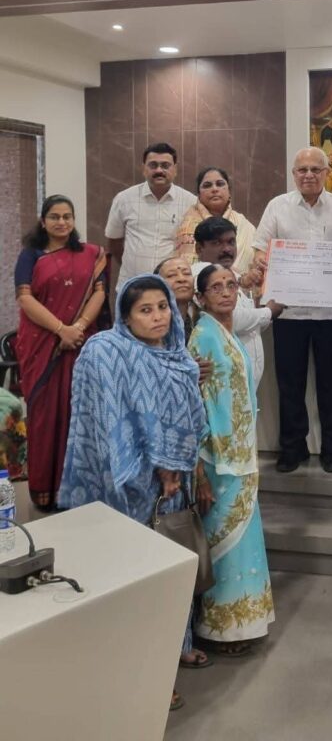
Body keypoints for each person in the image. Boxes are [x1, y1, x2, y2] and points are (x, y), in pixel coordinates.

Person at [58, 274, 209, 709]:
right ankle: (150, 675)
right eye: (145, 310)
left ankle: (178, 645)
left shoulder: (177, 357)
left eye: (163, 307)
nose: (158, 317)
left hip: (172, 486)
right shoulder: (107, 351)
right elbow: (106, 416)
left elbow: (190, 418)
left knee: (171, 567)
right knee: (139, 577)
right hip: (128, 484)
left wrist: (177, 466)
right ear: (125, 317)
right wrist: (159, 463)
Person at [188, 264, 274, 654]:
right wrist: (200, 467)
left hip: (240, 453)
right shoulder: (203, 336)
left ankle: (243, 623)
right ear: (201, 297)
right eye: (215, 287)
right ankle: (220, 627)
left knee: (243, 537)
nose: (225, 292)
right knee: (224, 542)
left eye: (231, 285)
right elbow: (196, 403)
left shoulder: (228, 332)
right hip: (218, 458)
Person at [254, 147, 332, 474]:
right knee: (290, 385)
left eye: (315, 169)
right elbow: (260, 252)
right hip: (288, 313)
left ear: (327, 172)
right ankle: (292, 448)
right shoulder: (277, 206)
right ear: (293, 174)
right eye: (302, 170)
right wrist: (265, 265)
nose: (308, 175)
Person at [14, 195, 107, 510]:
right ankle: (46, 491)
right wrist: (60, 330)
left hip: (81, 343)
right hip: (42, 345)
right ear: (43, 221)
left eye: (67, 216)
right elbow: (25, 299)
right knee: (44, 417)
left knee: (79, 412)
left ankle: (79, 489)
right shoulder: (31, 255)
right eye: (55, 216)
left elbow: (99, 294)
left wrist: (77, 327)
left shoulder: (91, 254)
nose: (62, 222)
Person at [192, 217, 281, 388]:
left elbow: (252, 327)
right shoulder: (200, 275)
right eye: (217, 243)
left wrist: (261, 303)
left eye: (231, 242)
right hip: (223, 385)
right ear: (199, 248)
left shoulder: (232, 276)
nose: (227, 249)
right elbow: (231, 319)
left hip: (243, 385)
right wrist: (268, 312)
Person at [105, 142, 196, 289]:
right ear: (143, 169)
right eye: (153, 165)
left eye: (165, 165)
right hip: (132, 285)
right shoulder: (124, 199)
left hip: (173, 288)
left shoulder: (190, 202)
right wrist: (132, 264)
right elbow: (114, 241)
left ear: (175, 169)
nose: (159, 170)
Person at [175, 166, 258, 277]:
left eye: (220, 184)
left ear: (229, 191)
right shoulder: (188, 226)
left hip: (241, 286)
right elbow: (187, 269)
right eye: (207, 185)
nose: (214, 189)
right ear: (198, 195)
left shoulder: (244, 225)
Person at [155, 256, 196, 340]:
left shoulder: (199, 324)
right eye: (171, 275)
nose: (182, 279)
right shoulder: (154, 326)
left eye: (187, 273)